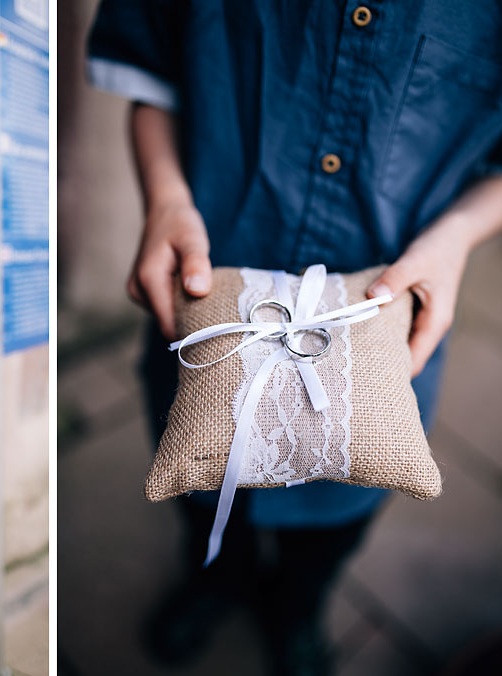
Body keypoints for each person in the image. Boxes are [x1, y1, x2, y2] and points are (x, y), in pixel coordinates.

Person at [87, 2, 502, 674]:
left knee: (337, 525)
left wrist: (455, 239)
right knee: (201, 500)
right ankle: (217, 580)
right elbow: (148, 71)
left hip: (388, 328)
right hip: (204, 308)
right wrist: (166, 200)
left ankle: (300, 605)